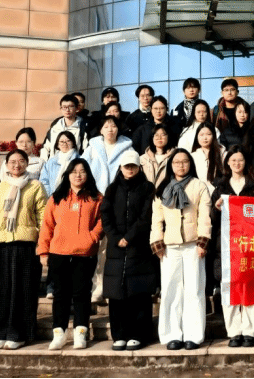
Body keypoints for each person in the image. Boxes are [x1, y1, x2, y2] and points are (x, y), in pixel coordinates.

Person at [0, 149, 46, 349]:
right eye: (12, 161)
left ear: (27, 163)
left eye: (21, 161)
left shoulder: (35, 186)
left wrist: (41, 242)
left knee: (22, 290)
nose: (17, 165)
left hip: (25, 243)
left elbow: (43, 215)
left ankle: (18, 334)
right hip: (0, 243)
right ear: (6, 164)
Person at [37, 159, 102, 351]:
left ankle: (81, 333)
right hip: (59, 253)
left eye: (82, 171)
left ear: (88, 174)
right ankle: (59, 333)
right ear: (67, 175)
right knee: (61, 295)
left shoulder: (96, 197)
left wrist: (93, 237)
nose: (78, 175)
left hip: (85, 253)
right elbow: (47, 225)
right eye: (74, 171)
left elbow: (102, 221)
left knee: (82, 294)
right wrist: (43, 251)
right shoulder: (57, 198)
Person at [150, 149, 212, 350]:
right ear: (171, 165)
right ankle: (172, 335)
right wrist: (157, 243)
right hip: (170, 246)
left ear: (190, 164)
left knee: (194, 290)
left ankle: (193, 335)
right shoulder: (162, 188)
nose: (181, 165)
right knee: (171, 290)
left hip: (193, 245)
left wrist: (203, 242)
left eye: (185, 161)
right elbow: (156, 220)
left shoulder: (198, 186)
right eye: (176, 162)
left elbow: (204, 216)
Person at [102, 149, 158, 351]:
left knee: (139, 292)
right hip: (116, 248)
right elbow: (105, 215)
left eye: (133, 166)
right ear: (121, 168)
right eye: (127, 166)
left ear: (139, 167)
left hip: (139, 246)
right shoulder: (112, 189)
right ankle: (119, 335)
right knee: (117, 294)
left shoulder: (147, 187)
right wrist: (116, 237)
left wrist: (130, 237)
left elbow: (146, 215)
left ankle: (139, 334)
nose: (130, 169)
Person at [210, 147, 254, 348]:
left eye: (240, 160)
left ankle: (249, 331)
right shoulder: (220, 186)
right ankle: (234, 332)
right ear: (227, 163)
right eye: (233, 160)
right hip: (226, 245)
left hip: (249, 244)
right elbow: (211, 218)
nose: (237, 163)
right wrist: (216, 209)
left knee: (248, 287)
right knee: (228, 288)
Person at [82, 115, 134, 303]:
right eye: (106, 126)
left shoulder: (127, 148)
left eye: (113, 126)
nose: (110, 129)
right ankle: (94, 286)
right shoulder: (92, 148)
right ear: (100, 130)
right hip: (95, 200)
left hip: (117, 202)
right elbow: (82, 171)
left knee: (110, 247)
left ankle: (107, 287)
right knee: (95, 245)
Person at [40, 94, 88, 160]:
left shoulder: (83, 126)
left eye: (70, 106)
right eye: (64, 107)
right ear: (61, 109)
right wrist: (44, 162)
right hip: (54, 163)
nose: (67, 110)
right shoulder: (55, 125)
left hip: (73, 163)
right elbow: (46, 147)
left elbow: (86, 150)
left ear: (76, 108)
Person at [190, 122, 226, 194]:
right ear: (197, 137)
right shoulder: (193, 156)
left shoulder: (223, 154)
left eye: (208, 134)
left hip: (218, 193)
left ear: (214, 136)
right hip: (198, 193)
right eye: (201, 135)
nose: (205, 138)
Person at [40, 132, 77, 197]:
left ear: (73, 143)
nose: (65, 144)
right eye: (62, 142)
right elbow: (44, 181)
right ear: (57, 145)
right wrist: (49, 196)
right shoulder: (51, 162)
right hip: (52, 197)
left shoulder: (79, 161)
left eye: (68, 141)